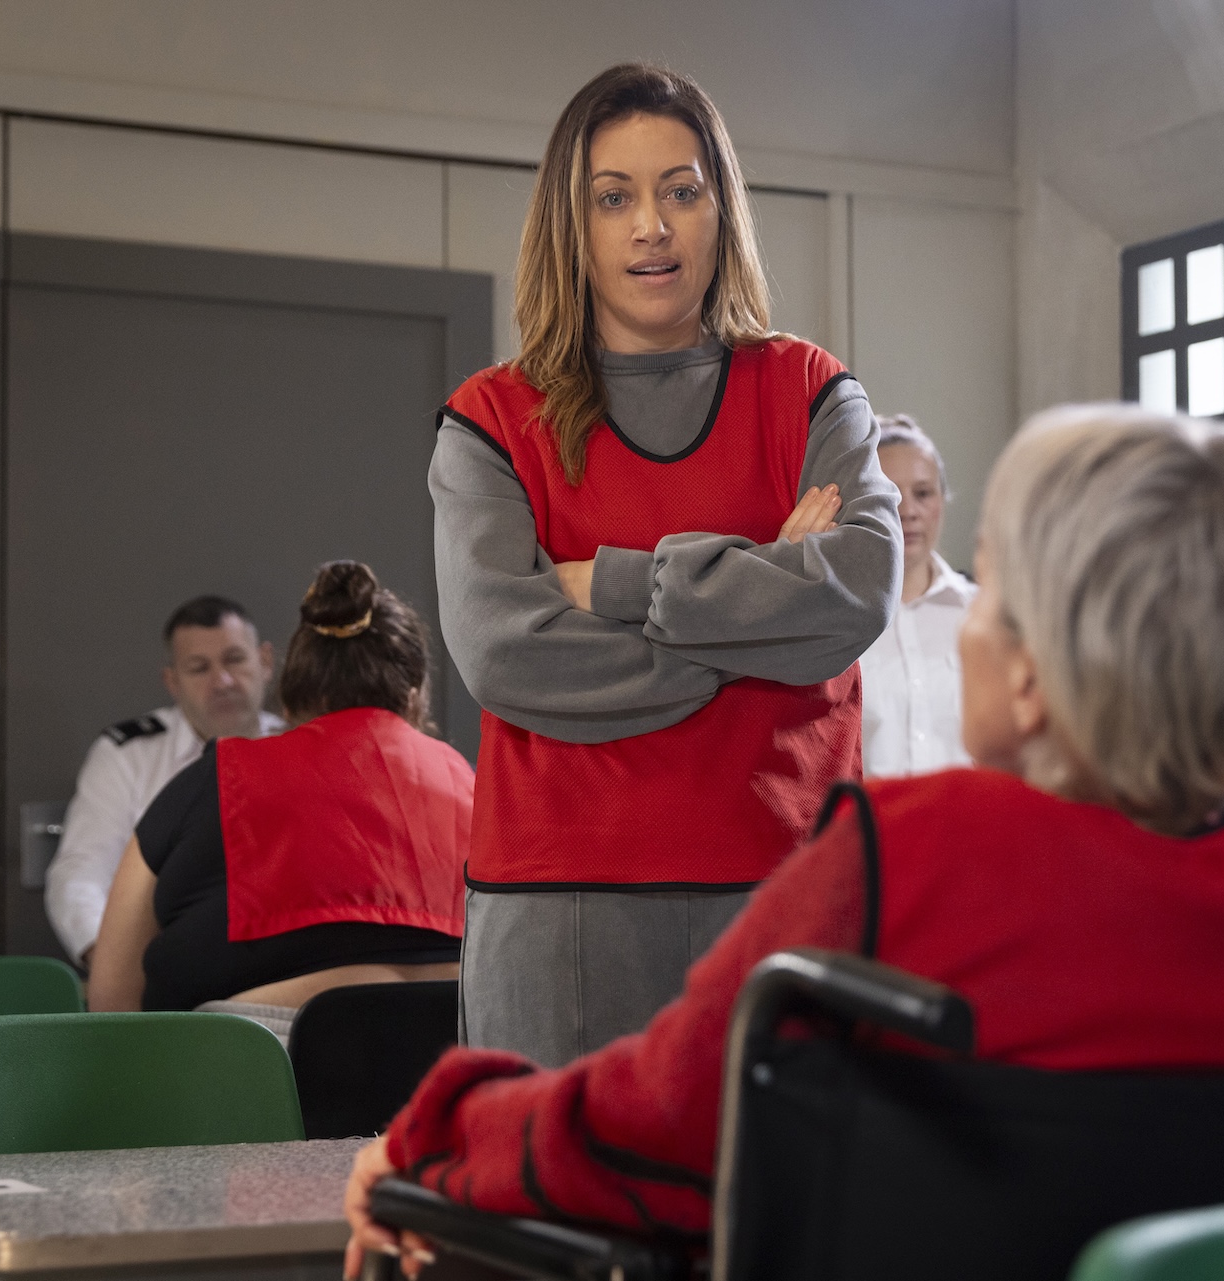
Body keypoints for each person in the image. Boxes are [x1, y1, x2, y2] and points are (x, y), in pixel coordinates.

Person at [341, 406, 1224, 1259]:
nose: (961, 632)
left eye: (991, 594)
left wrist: (435, 1131)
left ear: (1038, 679)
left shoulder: (916, 856)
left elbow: (658, 1131)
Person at [432, 62, 900, 1065]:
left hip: (788, 891)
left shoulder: (814, 391)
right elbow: (505, 653)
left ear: (720, 211)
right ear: (575, 223)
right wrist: (760, 603)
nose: (653, 225)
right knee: (556, 1217)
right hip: (557, 908)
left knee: (776, 1220)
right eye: (615, 198)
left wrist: (610, 585)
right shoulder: (492, 419)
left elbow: (857, 590)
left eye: (681, 191)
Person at [87, 562, 473, 1042]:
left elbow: (110, 1000)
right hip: (451, 1078)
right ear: (415, 700)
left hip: (249, 1082)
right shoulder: (471, 786)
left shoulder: (216, 777)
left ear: (289, 702)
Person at [45, 595, 283, 967]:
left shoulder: (301, 748)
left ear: (265, 661)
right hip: (161, 969)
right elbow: (81, 872)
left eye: (235, 660)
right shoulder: (128, 754)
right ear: (172, 681)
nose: (221, 681)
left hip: (280, 963)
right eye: (199, 668)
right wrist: (113, 963)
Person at [859, 414, 976, 777]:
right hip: (866, 829)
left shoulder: (983, 615)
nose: (907, 512)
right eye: (891, 495)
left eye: (923, 494)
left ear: (943, 500)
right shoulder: (836, 618)